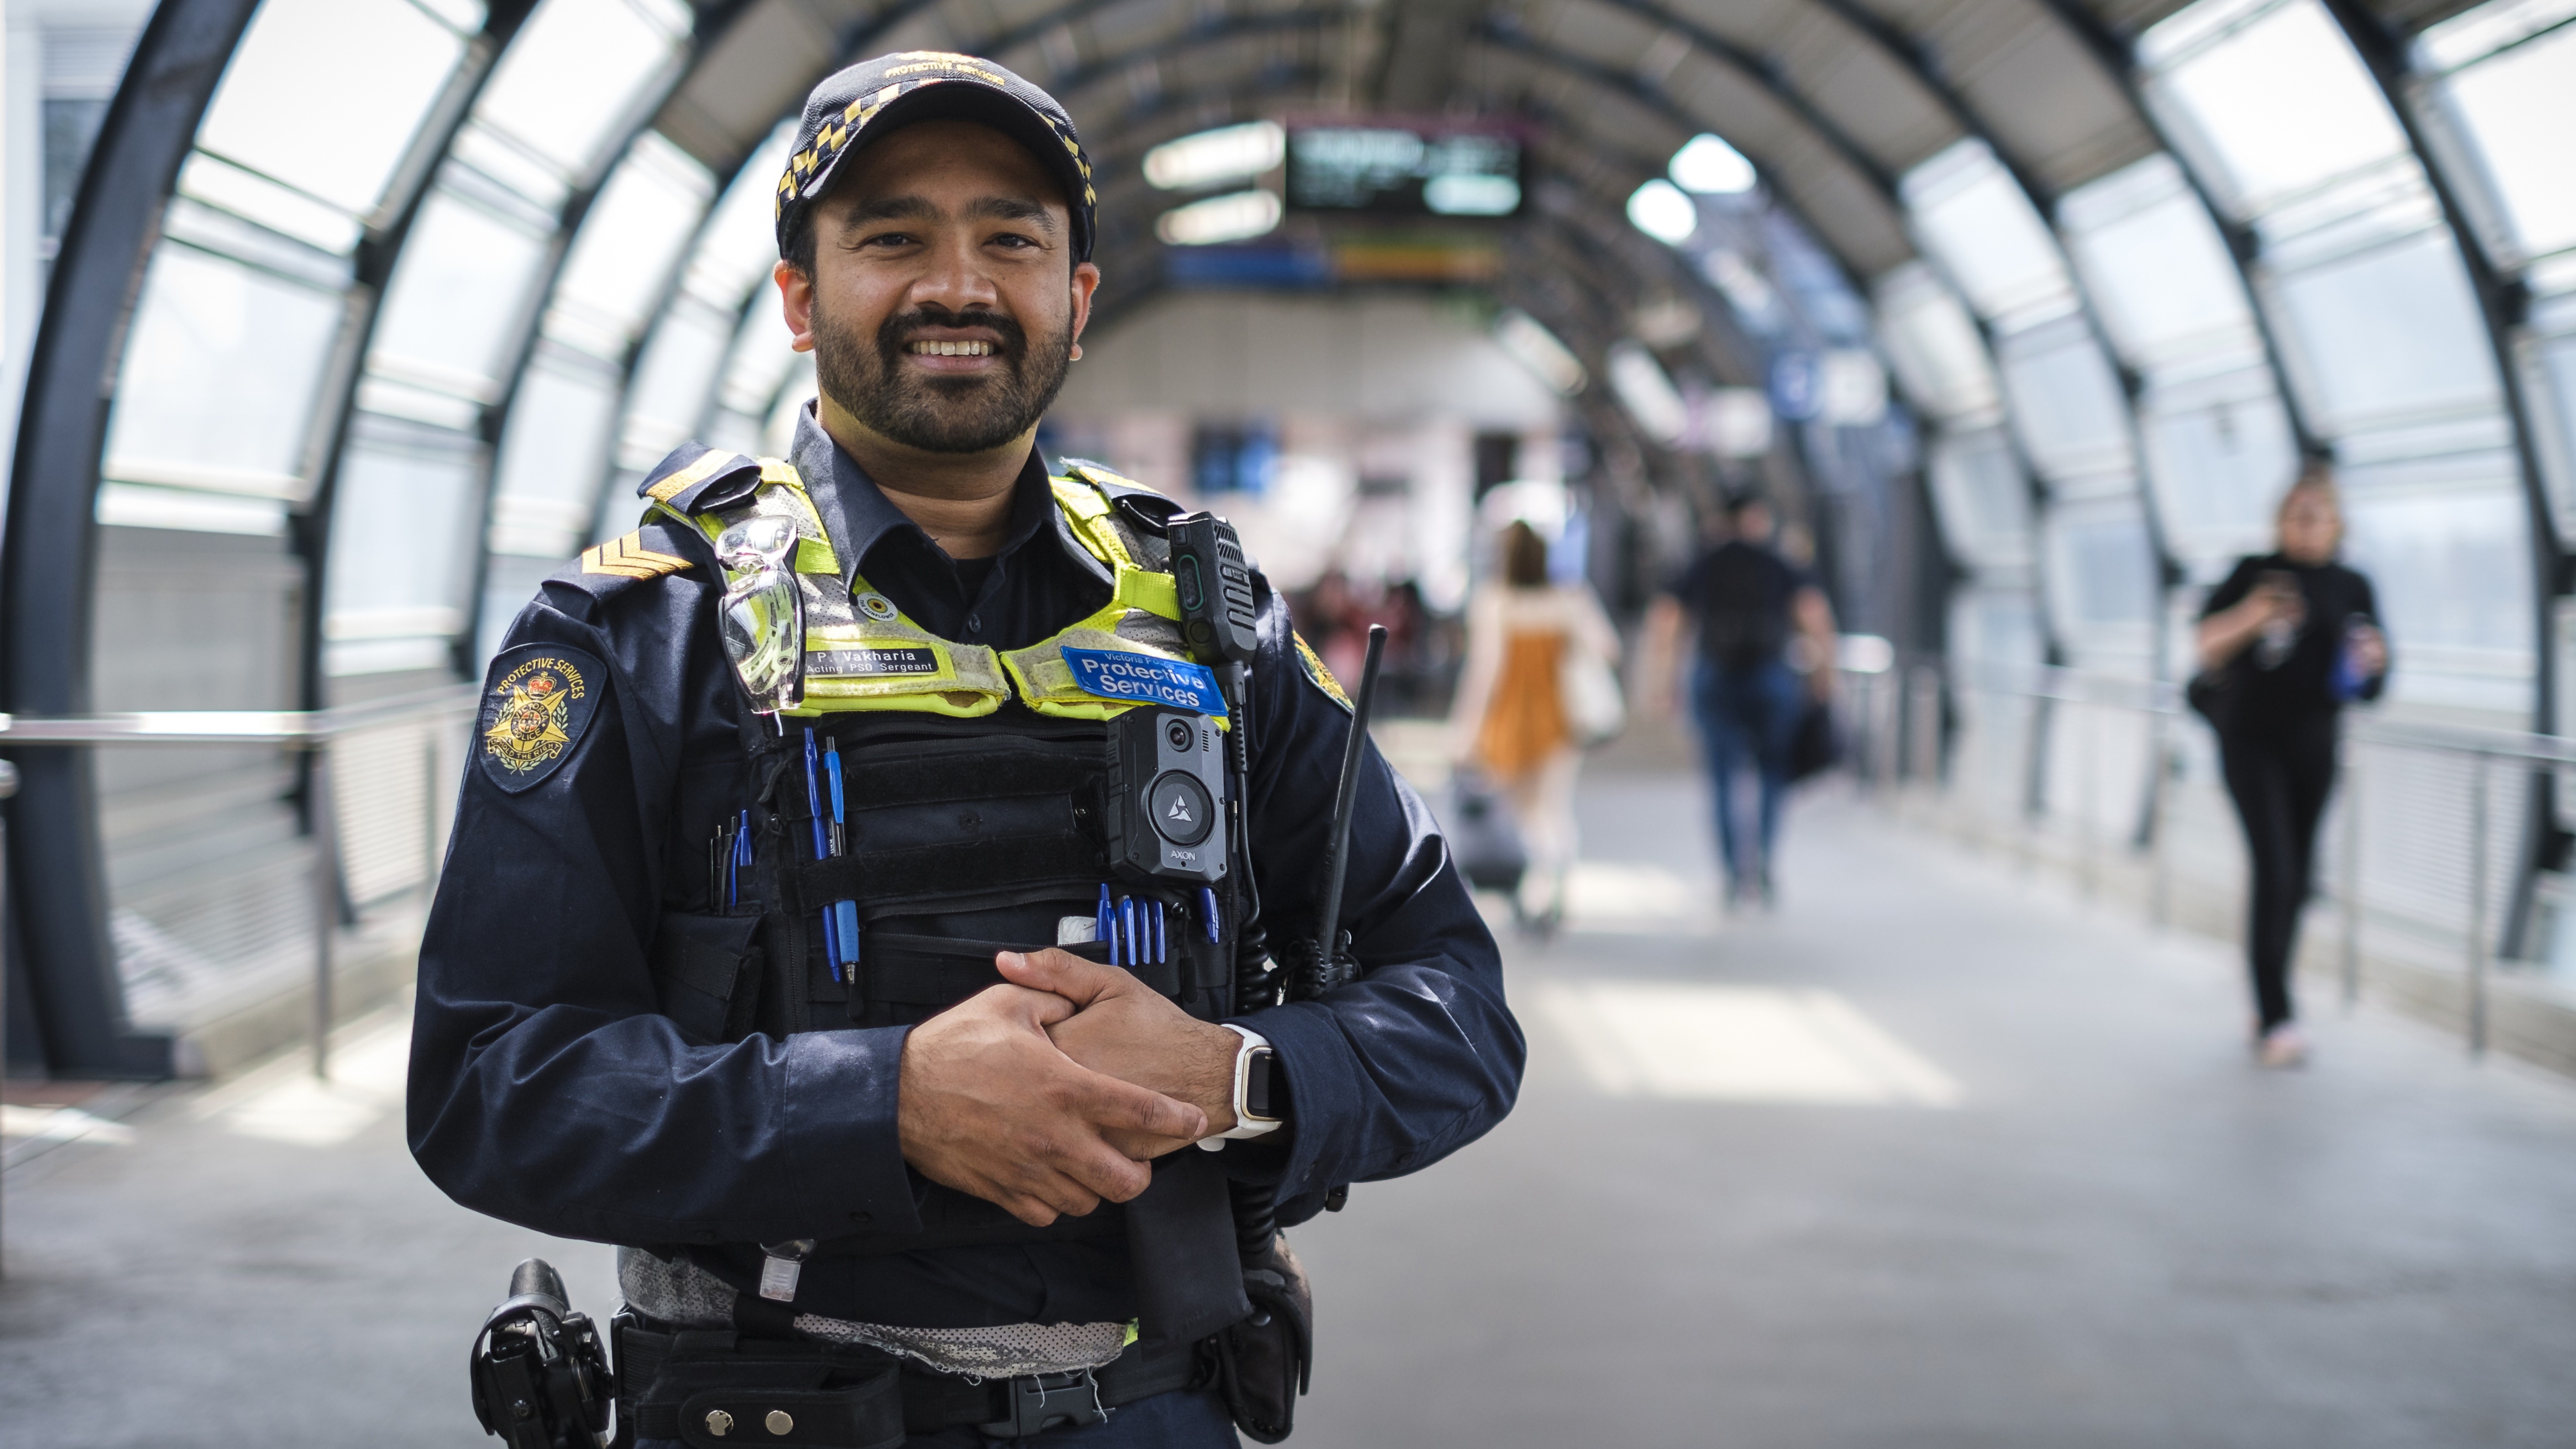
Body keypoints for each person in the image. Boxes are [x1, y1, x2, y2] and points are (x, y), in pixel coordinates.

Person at [407, 53, 1522, 1449]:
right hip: (778, 1413)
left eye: (1010, 238)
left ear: (1076, 299)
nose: (957, 284)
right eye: (891, 237)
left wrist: (1241, 1075)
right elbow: (491, 1079)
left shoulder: (1209, 627)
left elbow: (1459, 1010)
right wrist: (884, 1107)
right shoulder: (646, 630)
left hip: (1153, 1410)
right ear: (799, 299)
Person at [2195, 466, 2388, 1069]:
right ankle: (2276, 1012)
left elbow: (2371, 681)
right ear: (2279, 520)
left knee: (2299, 876)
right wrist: (2254, 615)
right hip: (2250, 741)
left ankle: (2269, 997)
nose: (2307, 526)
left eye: (2318, 514)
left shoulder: (2352, 585)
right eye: (2296, 515)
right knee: (2273, 866)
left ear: (2336, 522)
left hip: (2315, 743)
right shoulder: (2252, 573)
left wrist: (2374, 661)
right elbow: (2204, 645)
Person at [1641, 492, 1836, 907]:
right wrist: (1824, 675)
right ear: (1756, 516)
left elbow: (1667, 621)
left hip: (1715, 675)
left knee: (1723, 777)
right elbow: (1814, 616)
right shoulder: (1778, 561)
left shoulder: (1703, 562)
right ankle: (1763, 865)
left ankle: (1732, 874)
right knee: (1771, 774)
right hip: (1770, 675)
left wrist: (1663, 682)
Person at [1446, 520, 1620, 931]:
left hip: (1507, 722)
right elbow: (1608, 649)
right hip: (1558, 721)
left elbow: (1483, 674)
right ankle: (1555, 890)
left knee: (1513, 812)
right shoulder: (1570, 601)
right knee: (1553, 810)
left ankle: (1523, 893)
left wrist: (1464, 731)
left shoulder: (1494, 603)